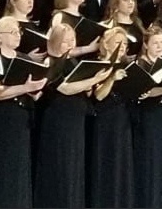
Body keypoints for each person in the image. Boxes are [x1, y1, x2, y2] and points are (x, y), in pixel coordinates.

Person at [33, 23, 112, 208]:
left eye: (72, 40)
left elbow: (81, 89)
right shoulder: (50, 61)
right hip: (59, 120)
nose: (69, 44)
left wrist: (90, 84)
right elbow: (64, 88)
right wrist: (94, 79)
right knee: (60, 165)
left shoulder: (73, 61)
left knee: (74, 166)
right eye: (65, 41)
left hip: (76, 119)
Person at [0, 18, 46, 208]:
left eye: (19, 32)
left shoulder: (25, 59)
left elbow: (31, 87)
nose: (18, 36)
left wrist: (34, 91)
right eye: (13, 32)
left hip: (21, 119)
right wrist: (24, 88)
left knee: (18, 170)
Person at [132, 25, 162, 209]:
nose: (159, 46)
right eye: (155, 43)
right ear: (146, 45)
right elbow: (142, 92)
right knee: (150, 164)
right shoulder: (141, 64)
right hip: (147, 117)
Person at [87, 27, 134, 208]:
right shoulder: (96, 65)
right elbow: (98, 95)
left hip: (122, 120)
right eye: (117, 43)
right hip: (103, 121)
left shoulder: (126, 67)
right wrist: (112, 78)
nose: (122, 47)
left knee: (121, 165)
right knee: (104, 162)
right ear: (105, 44)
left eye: (125, 44)